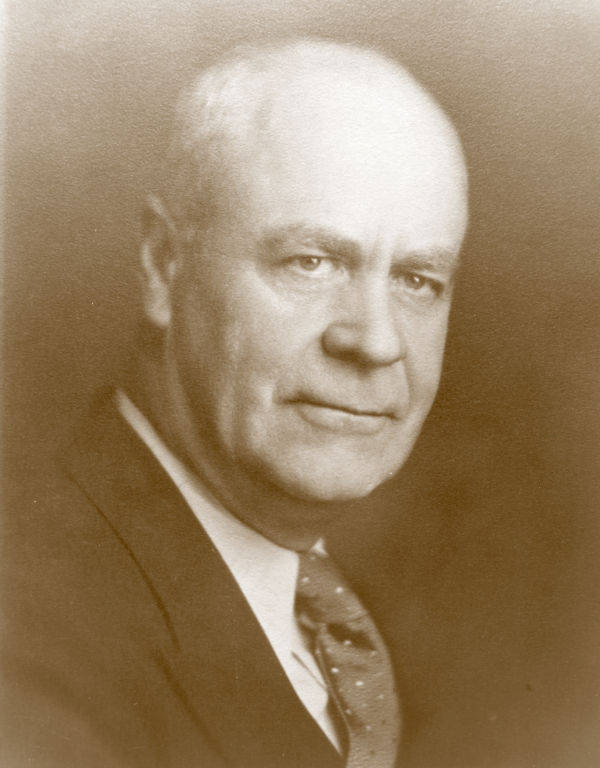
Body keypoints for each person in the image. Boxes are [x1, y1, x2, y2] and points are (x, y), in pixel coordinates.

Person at [1, 38, 467, 767]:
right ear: (164, 265)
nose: (376, 342)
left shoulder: (350, 619)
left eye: (417, 280)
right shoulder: (31, 628)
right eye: (311, 262)